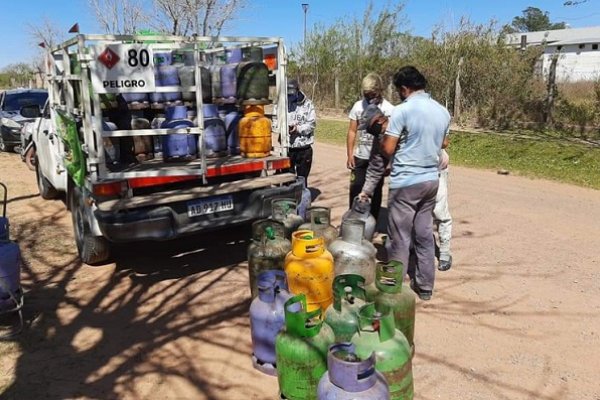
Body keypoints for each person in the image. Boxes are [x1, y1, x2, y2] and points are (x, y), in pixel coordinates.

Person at [360, 66, 450, 301]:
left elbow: (388, 149)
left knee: (399, 237)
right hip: (431, 181)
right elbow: (445, 142)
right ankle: (425, 286)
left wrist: (388, 139)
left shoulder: (402, 111)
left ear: (404, 88)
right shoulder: (442, 111)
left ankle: (395, 290)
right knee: (423, 234)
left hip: (406, 183)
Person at [346, 73, 395, 221]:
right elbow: (352, 131)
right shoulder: (358, 106)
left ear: (380, 91)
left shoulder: (390, 109)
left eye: (372, 94)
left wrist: (389, 161)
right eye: (366, 95)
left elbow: (393, 138)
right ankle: (353, 221)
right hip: (361, 157)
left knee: (376, 191)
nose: (369, 98)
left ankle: (371, 223)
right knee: (356, 189)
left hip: (379, 158)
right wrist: (349, 154)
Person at [287, 79, 316, 185]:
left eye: (292, 94)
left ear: (297, 91)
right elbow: (276, 120)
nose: (290, 97)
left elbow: (311, 124)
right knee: (287, 180)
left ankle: (302, 200)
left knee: (301, 181)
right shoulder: (283, 103)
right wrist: (284, 128)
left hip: (304, 149)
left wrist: (298, 129)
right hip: (287, 148)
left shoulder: (308, 104)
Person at [434, 146, 453, 271]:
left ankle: (445, 252)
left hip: (437, 169)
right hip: (414, 170)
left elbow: (444, 142)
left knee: (439, 211)